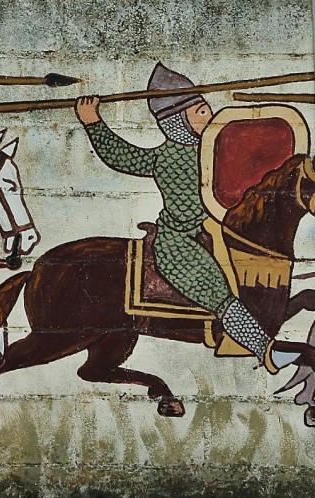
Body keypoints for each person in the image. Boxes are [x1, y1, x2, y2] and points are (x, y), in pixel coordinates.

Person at [75, 62, 307, 373]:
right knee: (217, 291)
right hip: (180, 241)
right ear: (177, 119)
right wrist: (93, 123)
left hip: (215, 231)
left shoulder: (214, 148)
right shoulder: (165, 157)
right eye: (200, 111)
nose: (209, 115)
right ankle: (264, 350)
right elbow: (121, 156)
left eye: (206, 108)